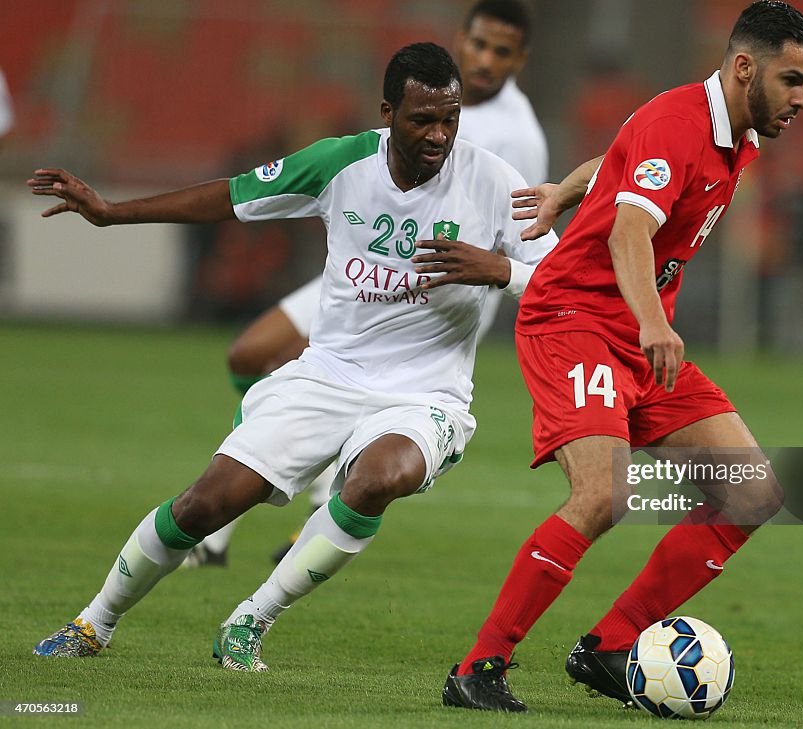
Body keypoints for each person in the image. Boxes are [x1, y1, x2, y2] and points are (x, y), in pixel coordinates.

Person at [29, 42, 558, 672]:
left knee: (377, 480)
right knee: (205, 504)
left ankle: (251, 620)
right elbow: (231, 197)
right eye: (422, 119)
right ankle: (94, 622)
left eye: (450, 119)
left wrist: (499, 270)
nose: (439, 135)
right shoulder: (340, 164)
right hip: (327, 376)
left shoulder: (495, 182)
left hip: (426, 394)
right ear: (387, 112)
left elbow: (565, 276)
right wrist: (114, 214)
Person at [441, 1, 803, 712]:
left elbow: (623, 157)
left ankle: (611, 645)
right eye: (792, 80)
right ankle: (477, 667)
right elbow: (628, 233)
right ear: (745, 68)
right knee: (604, 494)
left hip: (636, 336)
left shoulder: (731, 132)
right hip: (575, 321)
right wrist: (652, 323)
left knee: (750, 492)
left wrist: (565, 190)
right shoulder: (680, 123)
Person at [189, 0, 548, 567]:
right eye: (479, 45)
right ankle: (271, 495)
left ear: (520, 60)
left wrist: (489, 282)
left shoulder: (518, 137)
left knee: (318, 377)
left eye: (501, 52)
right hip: (367, 264)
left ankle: (251, 525)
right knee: (251, 355)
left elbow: (519, 237)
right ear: (461, 39)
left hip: (431, 289)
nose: (485, 60)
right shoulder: (425, 85)